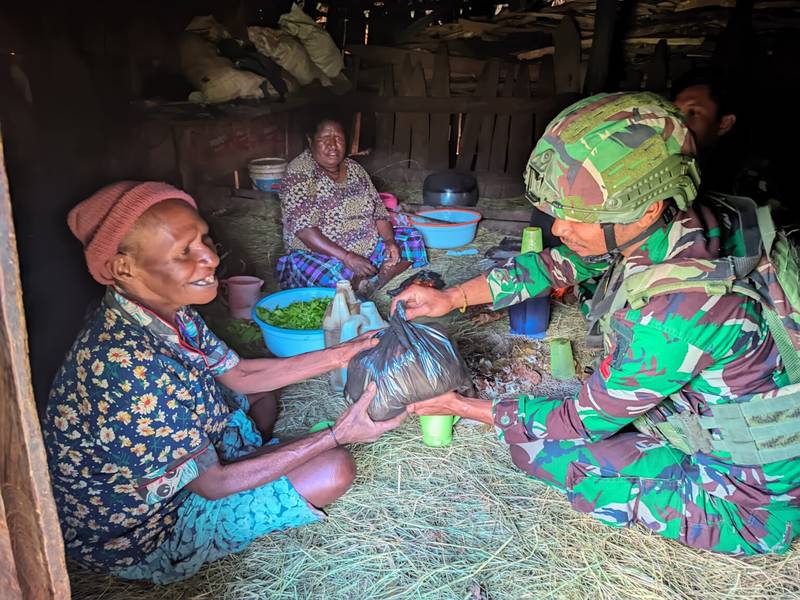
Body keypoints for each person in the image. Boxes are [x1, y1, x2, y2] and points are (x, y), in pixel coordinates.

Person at [393, 92, 800, 555]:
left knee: (536, 450)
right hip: (741, 435)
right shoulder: (685, 223)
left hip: (753, 504)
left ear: (645, 208)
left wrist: (464, 407)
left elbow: (580, 421)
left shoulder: (674, 314)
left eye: (577, 217)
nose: (559, 228)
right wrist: (452, 297)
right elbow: (556, 266)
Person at [43, 181, 407, 584]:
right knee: (334, 468)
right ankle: (258, 458)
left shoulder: (170, 312)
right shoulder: (125, 366)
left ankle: (256, 453)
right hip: (152, 528)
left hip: (195, 467)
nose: (211, 258)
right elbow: (213, 485)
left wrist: (345, 352)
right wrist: (337, 434)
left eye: (204, 239)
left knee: (261, 389)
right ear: (121, 268)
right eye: (184, 252)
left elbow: (241, 374)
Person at [275, 113, 428, 291]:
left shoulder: (355, 169)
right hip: (322, 255)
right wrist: (347, 257)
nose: (333, 145)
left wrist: (388, 240)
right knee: (332, 277)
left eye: (338, 138)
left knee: (412, 238)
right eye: (325, 138)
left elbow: (379, 211)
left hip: (368, 247)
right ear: (310, 140)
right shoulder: (299, 172)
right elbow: (305, 231)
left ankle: (377, 278)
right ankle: (364, 280)